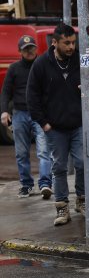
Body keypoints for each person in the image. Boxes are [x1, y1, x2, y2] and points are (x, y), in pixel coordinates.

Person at [26, 23, 89, 226]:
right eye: (66, 43)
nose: (70, 47)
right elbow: (32, 96)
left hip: (79, 125)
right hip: (55, 128)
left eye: (73, 42)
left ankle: (82, 201)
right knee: (59, 167)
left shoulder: (82, 59)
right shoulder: (41, 64)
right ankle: (62, 207)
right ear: (55, 43)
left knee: (81, 164)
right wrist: (43, 123)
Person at [0, 35, 52, 199]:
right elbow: (6, 91)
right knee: (21, 153)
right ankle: (26, 185)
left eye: (32, 48)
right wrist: (4, 111)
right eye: (26, 49)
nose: (29, 51)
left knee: (44, 151)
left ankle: (45, 184)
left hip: (40, 114)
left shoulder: (43, 66)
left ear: (37, 49)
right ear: (19, 51)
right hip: (19, 114)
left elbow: (51, 89)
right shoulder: (14, 68)